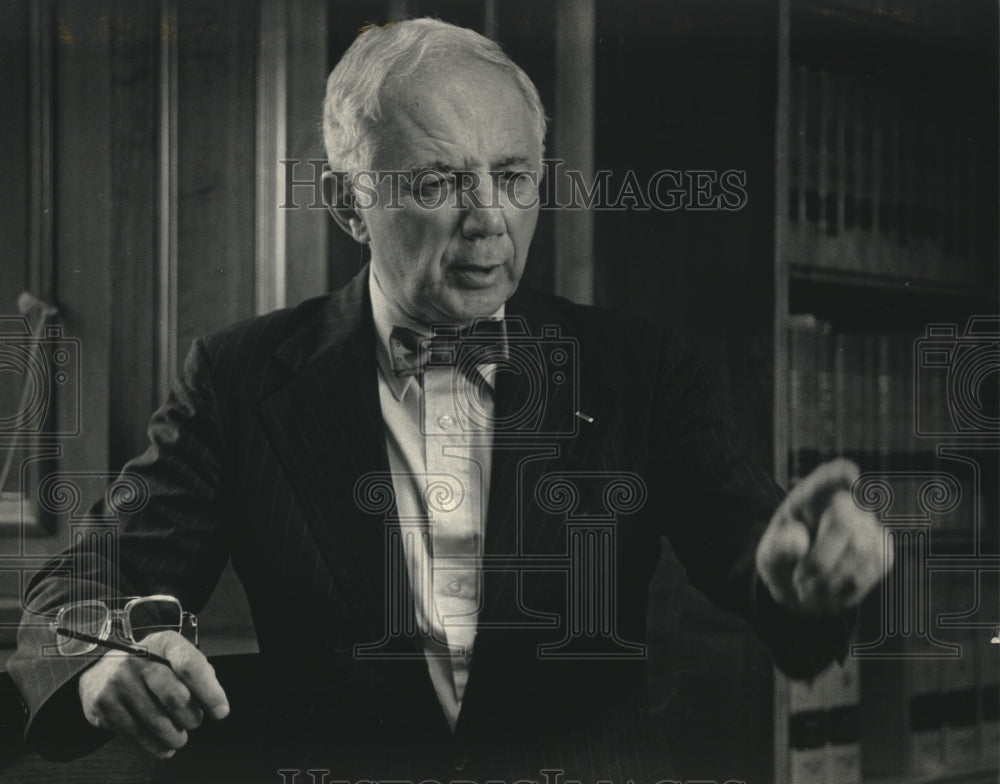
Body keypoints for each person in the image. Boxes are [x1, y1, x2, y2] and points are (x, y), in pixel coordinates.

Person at [8, 17, 890, 783]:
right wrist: (99, 666)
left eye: (511, 176)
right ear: (348, 205)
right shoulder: (240, 377)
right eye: (436, 184)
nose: (489, 219)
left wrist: (803, 586)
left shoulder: (638, 367)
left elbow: (758, 548)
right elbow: (79, 590)